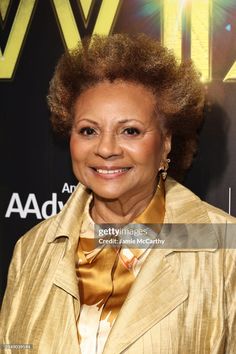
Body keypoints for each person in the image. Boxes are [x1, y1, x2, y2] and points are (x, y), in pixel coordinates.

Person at [0, 33, 236, 354]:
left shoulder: (226, 249)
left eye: (130, 131)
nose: (106, 149)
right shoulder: (31, 250)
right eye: (88, 131)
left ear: (166, 142)